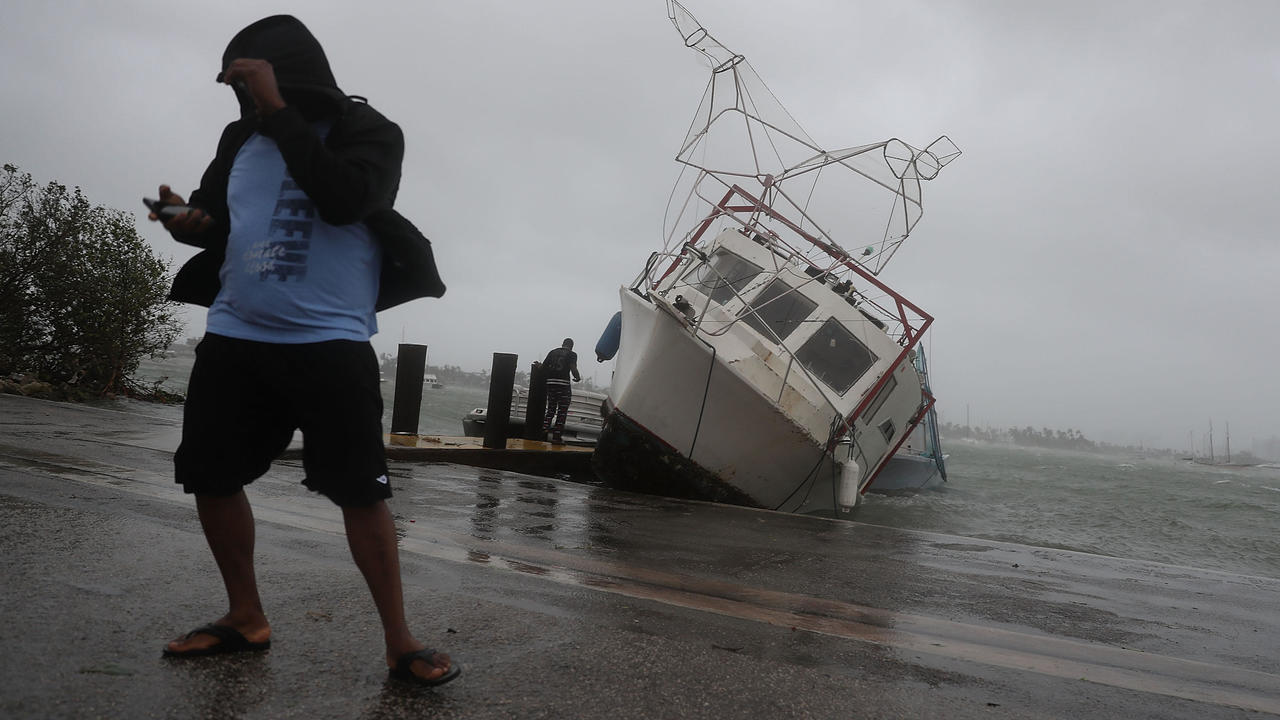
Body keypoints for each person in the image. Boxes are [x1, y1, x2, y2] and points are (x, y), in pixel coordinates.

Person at [149, 15, 456, 687]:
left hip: (331, 341)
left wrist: (280, 110)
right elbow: (219, 224)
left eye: (249, 79)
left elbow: (346, 199)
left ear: (287, 73)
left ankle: (399, 640)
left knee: (360, 492)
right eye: (236, 85)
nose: (244, 98)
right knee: (210, 473)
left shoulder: (368, 132)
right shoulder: (239, 138)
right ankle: (245, 615)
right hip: (236, 333)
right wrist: (183, 220)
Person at [541, 338, 581, 444]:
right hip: (563, 385)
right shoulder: (572, 354)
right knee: (562, 412)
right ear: (571, 346)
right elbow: (573, 368)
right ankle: (556, 437)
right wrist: (577, 377)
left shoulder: (552, 352)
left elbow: (543, 367)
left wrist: (538, 366)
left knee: (550, 409)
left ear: (562, 344)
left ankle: (544, 429)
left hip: (551, 383)